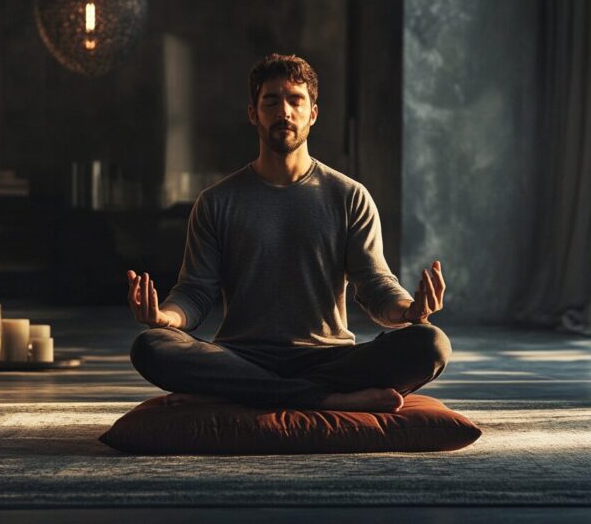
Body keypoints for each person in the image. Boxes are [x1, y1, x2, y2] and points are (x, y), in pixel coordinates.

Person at [126, 53, 450, 412]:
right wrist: (164, 319)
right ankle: (328, 401)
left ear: (312, 113)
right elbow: (195, 292)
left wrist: (409, 311)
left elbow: (375, 285)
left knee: (431, 344)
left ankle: (236, 397)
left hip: (328, 360)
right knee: (152, 346)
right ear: (254, 113)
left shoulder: (349, 196)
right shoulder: (216, 202)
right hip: (242, 358)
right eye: (271, 101)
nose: (284, 112)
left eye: (295, 100)